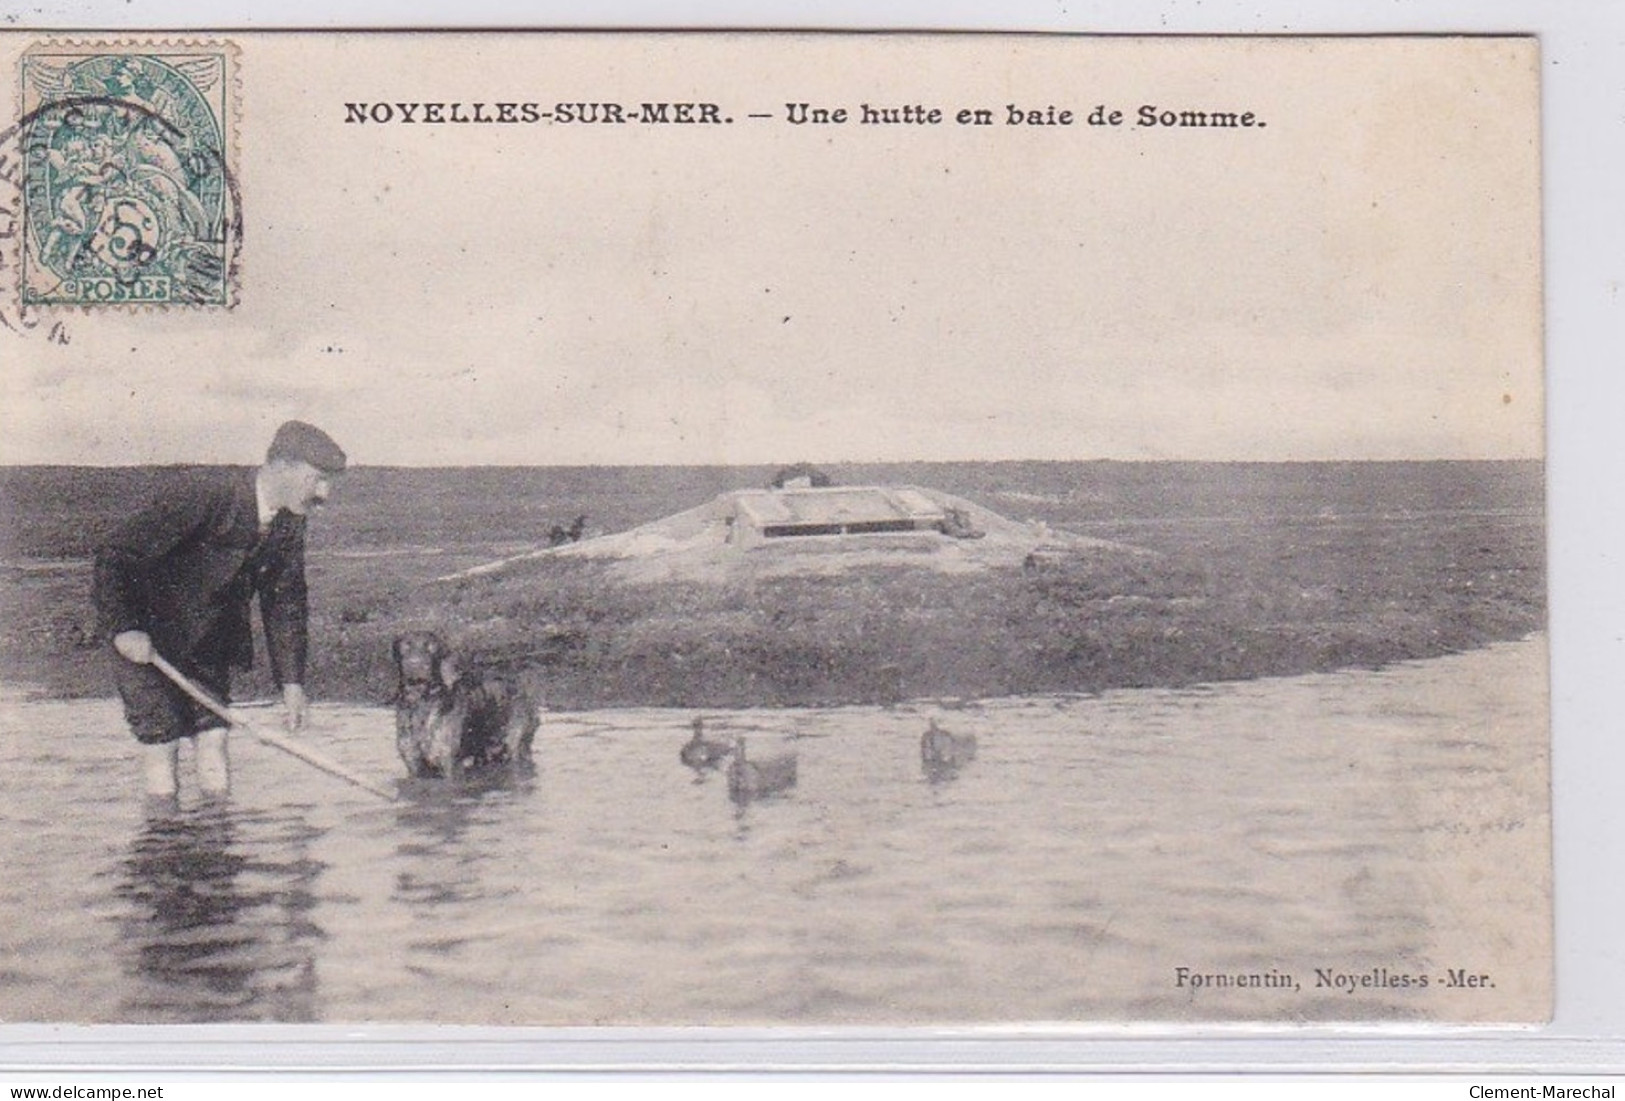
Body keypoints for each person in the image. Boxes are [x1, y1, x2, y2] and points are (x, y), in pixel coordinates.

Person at [94, 420, 347, 798]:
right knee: (161, 742)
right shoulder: (206, 493)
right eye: (317, 479)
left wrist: (292, 683)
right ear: (283, 467)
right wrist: (124, 627)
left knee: (213, 737)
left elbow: (285, 600)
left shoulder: (290, 523)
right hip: (146, 638)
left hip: (209, 642)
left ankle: (218, 840)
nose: (324, 494)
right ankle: (165, 843)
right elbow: (116, 555)